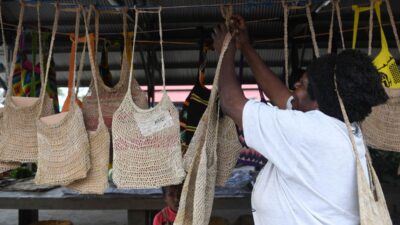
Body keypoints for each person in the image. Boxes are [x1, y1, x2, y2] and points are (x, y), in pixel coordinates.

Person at [212, 15, 388, 225]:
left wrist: (225, 53)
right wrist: (246, 47)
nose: (295, 84)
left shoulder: (311, 132)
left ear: (319, 99)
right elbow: (282, 97)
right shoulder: (341, 129)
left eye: (303, 84)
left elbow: (232, 103)